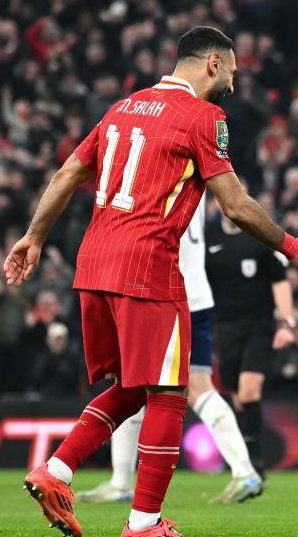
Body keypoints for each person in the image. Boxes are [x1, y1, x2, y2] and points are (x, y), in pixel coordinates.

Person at [4, 26, 298, 537]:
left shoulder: (123, 108)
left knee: (134, 388)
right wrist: (295, 249)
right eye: (231, 69)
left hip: (94, 264)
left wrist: (33, 236)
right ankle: (143, 525)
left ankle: (57, 471)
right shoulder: (206, 117)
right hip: (147, 266)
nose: (233, 79)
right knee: (168, 394)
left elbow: (70, 170)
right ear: (211, 64)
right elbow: (235, 205)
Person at [77, 194, 264, 507]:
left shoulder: (161, 175)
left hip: (164, 294)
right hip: (197, 293)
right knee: (196, 385)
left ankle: (122, 482)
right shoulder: (197, 174)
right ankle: (244, 470)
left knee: (132, 383)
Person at [204, 195, 297, 485]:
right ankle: (243, 462)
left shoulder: (259, 237)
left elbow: (279, 281)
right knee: (235, 396)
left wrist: (286, 322)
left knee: (249, 390)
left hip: (259, 324)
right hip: (224, 326)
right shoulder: (207, 237)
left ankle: (255, 462)